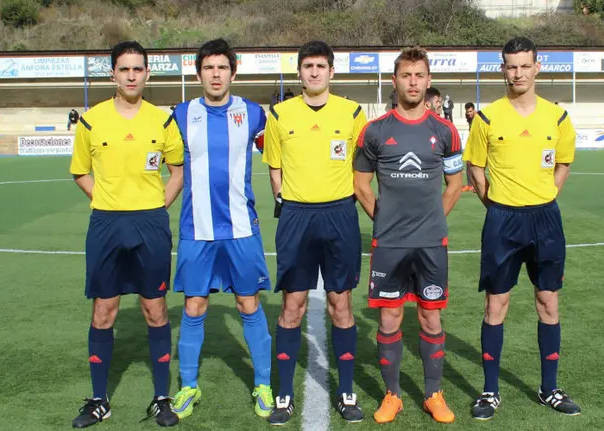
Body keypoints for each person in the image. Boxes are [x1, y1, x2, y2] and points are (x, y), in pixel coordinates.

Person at [463, 36, 581, 421]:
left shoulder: (557, 118)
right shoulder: (487, 118)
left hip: (546, 218)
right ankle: (490, 391)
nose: (518, 73)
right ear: (503, 69)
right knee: (496, 303)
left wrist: (545, 195)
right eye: (511, 66)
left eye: (525, 65)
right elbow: (475, 168)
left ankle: (550, 388)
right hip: (503, 219)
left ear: (537, 67)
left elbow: (563, 163)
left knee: (548, 300)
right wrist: (497, 205)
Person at [69, 40, 184, 429]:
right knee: (105, 310)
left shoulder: (163, 121)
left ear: (147, 74)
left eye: (138, 69)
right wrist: (106, 200)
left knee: (155, 308)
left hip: (150, 224)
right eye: (124, 69)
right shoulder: (91, 121)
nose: (131, 76)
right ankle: (99, 400)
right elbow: (80, 172)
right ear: (113, 74)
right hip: (106, 224)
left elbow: (177, 173)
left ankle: (162, 397)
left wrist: (155, 206)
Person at [354, 46, 464, 424]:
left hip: (431, 243)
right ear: (395, 81)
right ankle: (393, 395)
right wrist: (385, 221)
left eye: (419, 75)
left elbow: (455, 184)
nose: (413, 82)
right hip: (389, 244)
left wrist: (431, 220)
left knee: (431, 320)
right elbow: (361, 185)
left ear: (429, 80)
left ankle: (433, 394)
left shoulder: (445, 131)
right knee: (389, 320)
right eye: (406, 75)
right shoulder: (375, 131)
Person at [167, 38, 275, 421]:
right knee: (194, 306)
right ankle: (188, 386)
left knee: (248, 303)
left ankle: (263, 384)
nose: (216, 75)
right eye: (209, 68)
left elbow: (279, 153)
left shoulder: (253, 113)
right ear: (199, 74)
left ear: (233, 72)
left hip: (241, 228)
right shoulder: (181, 114)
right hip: (196, 229)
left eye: (222, 68)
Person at [262, 40, 367, 425]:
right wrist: (286, 201)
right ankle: (285, 395)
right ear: (300, 72)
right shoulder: (279, 114)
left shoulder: (352, 113)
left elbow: (361, 168)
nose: (314, 72)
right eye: (308, 66)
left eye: (321, 66)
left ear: (331, 71)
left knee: (341, 302)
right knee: (293, 304)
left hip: (340, 215)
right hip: (297, 217)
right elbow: (274, 167)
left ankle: (346, 391)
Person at [463, 102, 478, 192]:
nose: (469, 113)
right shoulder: (468, 116)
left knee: (477, 166)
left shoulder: (478, 117)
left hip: (479, 144)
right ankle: (470, 185)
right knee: (468, 163)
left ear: (474, 110)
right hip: (472, 143)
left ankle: (477, 186)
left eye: (470, 111)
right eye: (467, 111)